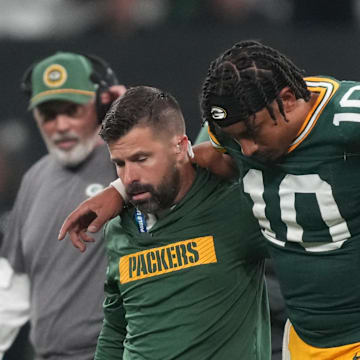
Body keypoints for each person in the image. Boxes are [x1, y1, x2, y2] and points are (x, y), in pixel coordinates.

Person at [58, 40, 360, 359]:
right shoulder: (228, 131)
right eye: (234, 138)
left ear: (286, 100)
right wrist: (119, 190)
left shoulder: (348, 119)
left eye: (253, 133)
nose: (246, 150)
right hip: (305, 339)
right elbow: (190, 161)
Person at [93, 85, 271, 359]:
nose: (129, 178)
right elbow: (116, 330)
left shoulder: (236, 205)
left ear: (180, 147)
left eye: (142, 159)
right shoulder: (118, 227)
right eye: (120, 163)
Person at [0, 51, 126, 360]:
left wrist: (127, 115)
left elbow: (171, 166)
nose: (61, 125)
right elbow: (12, 285)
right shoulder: (34, 179)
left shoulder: (125, 162)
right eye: (49, 114)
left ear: (98, 106)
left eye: (73, 110)